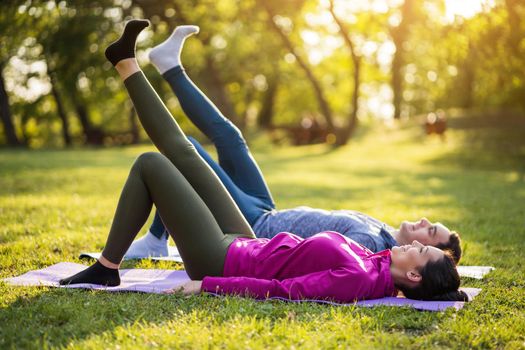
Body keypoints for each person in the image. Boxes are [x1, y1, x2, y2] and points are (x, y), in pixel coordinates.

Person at [60, 20, 468, 303]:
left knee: (155, 163)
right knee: (191, 155)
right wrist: (451, 285)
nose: (416, 240)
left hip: (220, 256)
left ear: (413, 275)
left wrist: (208, 286)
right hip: (248, 243)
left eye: (423, 249)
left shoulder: (360, 278)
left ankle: (107, 267)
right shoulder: (378, 263)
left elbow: (285, 292)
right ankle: (127, 59)